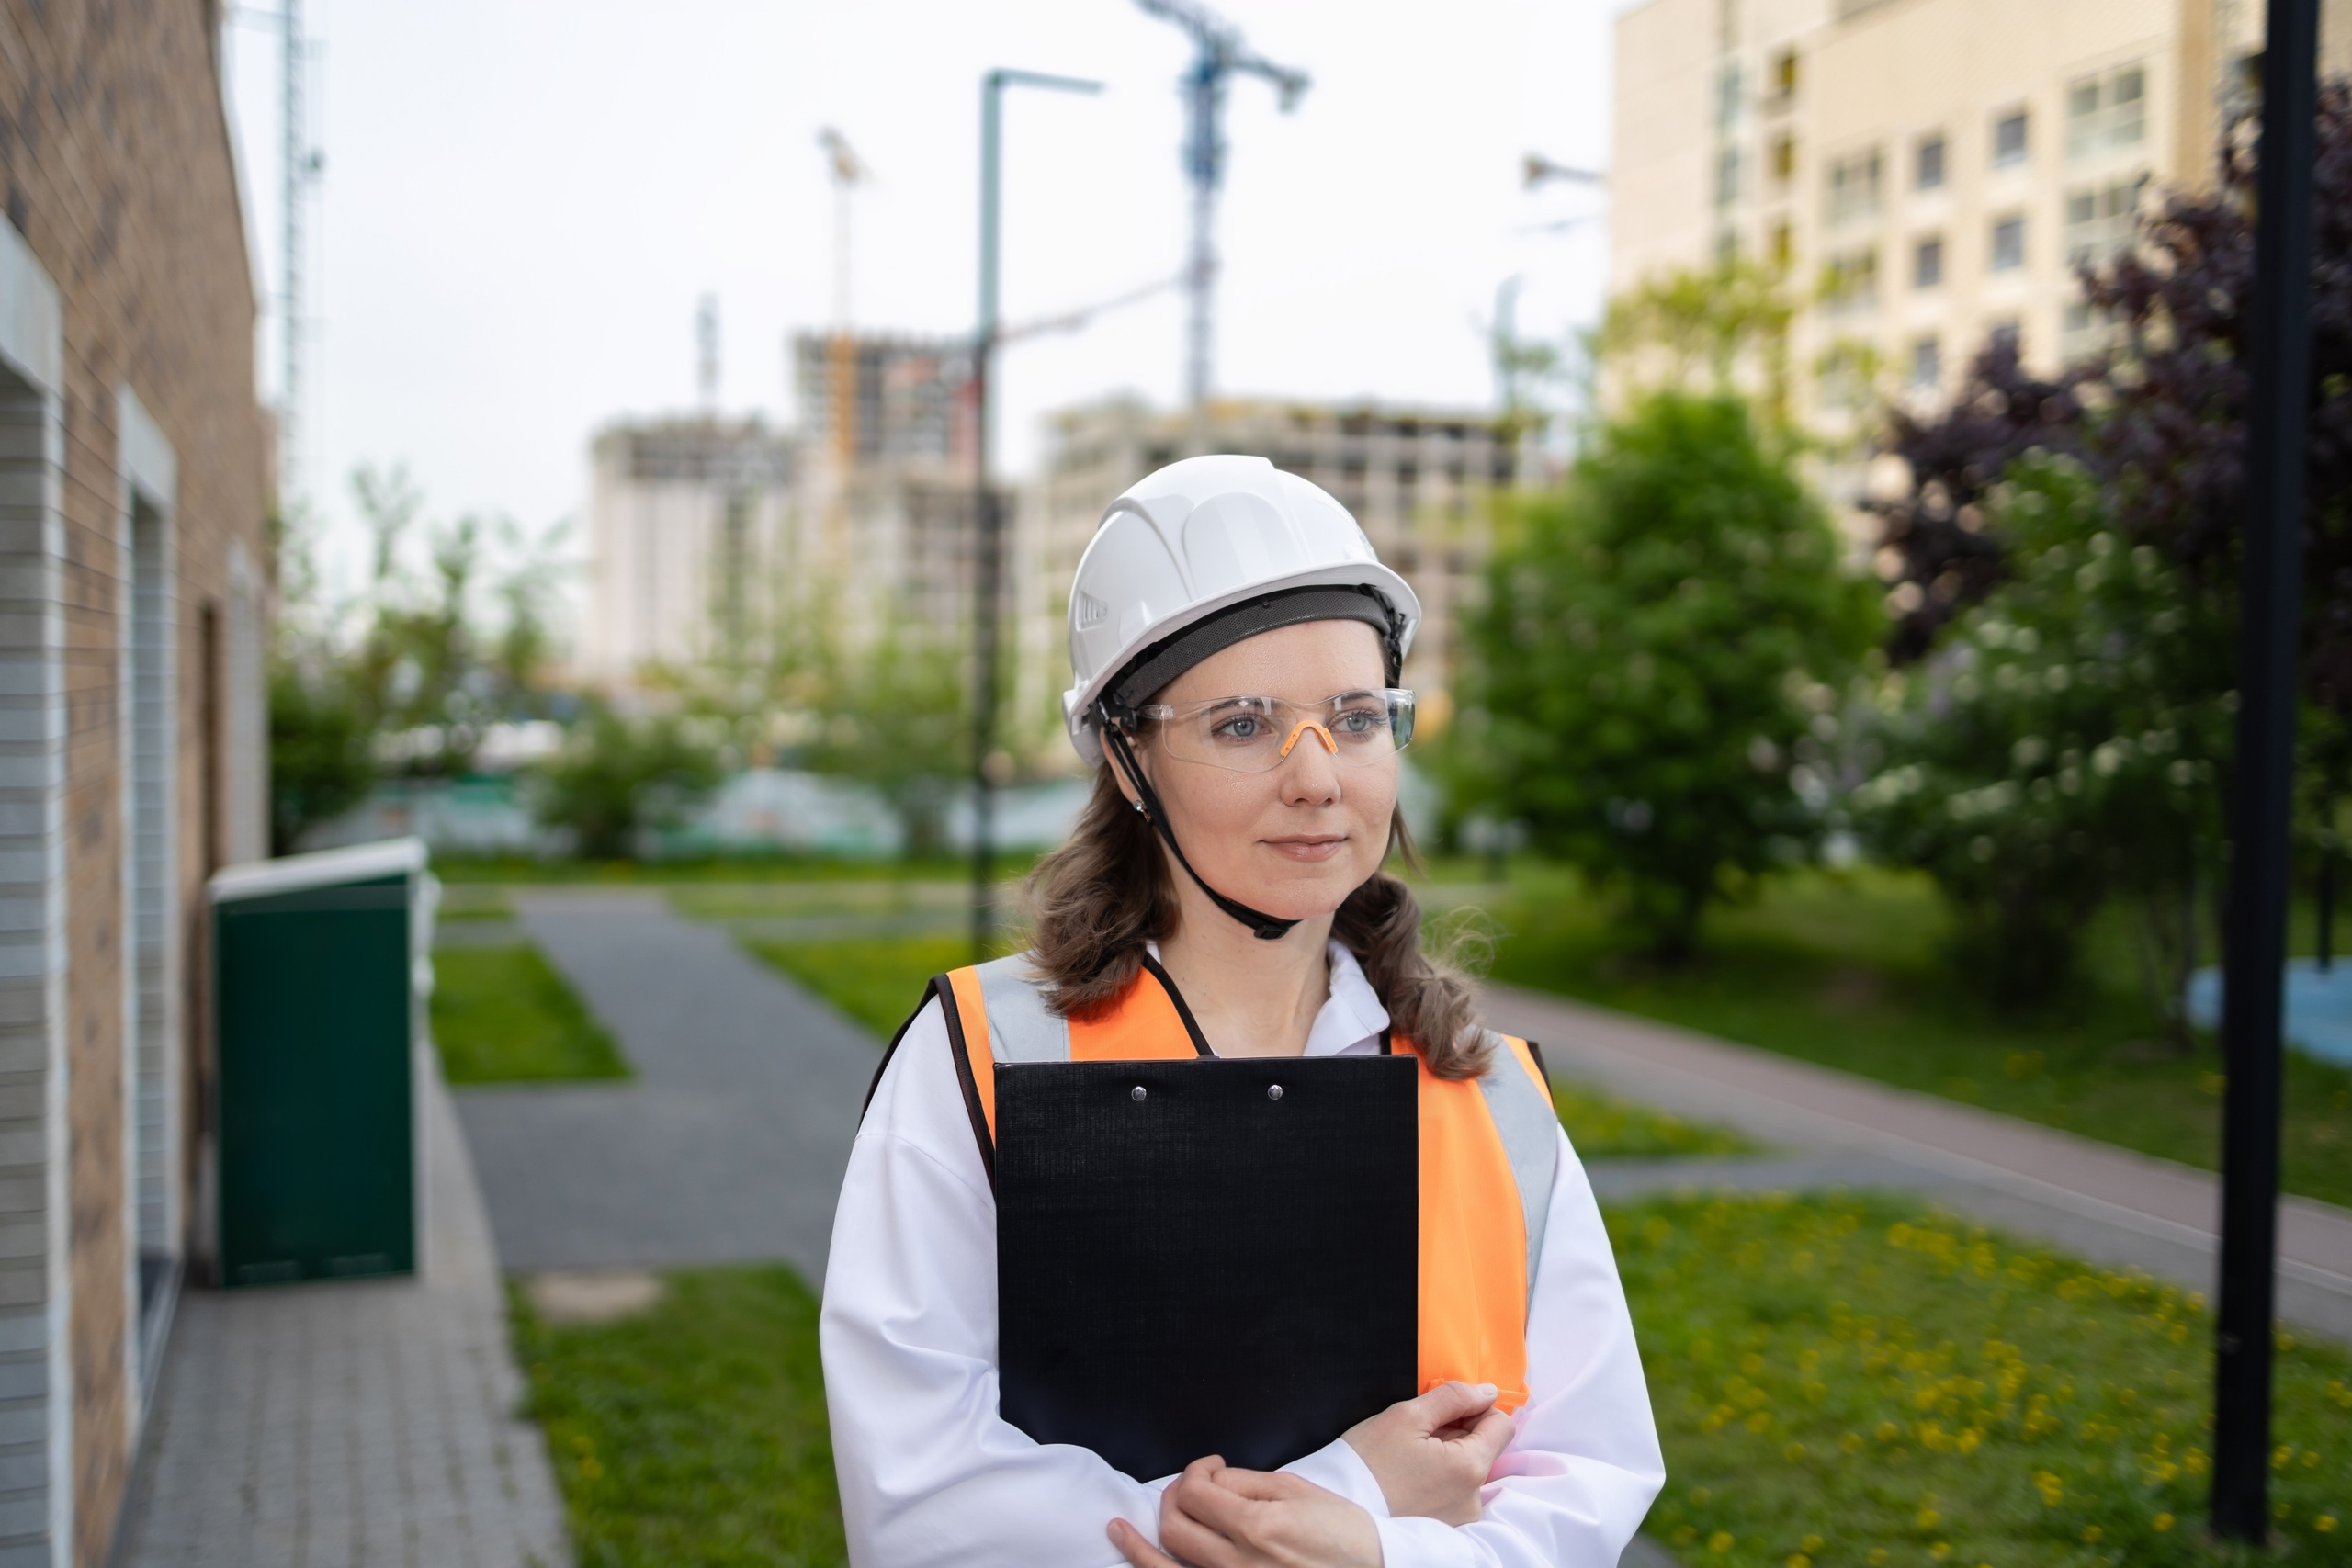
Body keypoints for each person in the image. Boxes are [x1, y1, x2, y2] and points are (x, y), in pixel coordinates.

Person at [820, 456, 1662, 1568]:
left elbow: (1588, 1478)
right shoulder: (986, 1059)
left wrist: (1381, 1559)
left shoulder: (1486, 1093)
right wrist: (1350, 1497)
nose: (1317, 778)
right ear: (1127, 758)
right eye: (1241, 724)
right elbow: (923, 1498)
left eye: (1356, 718)